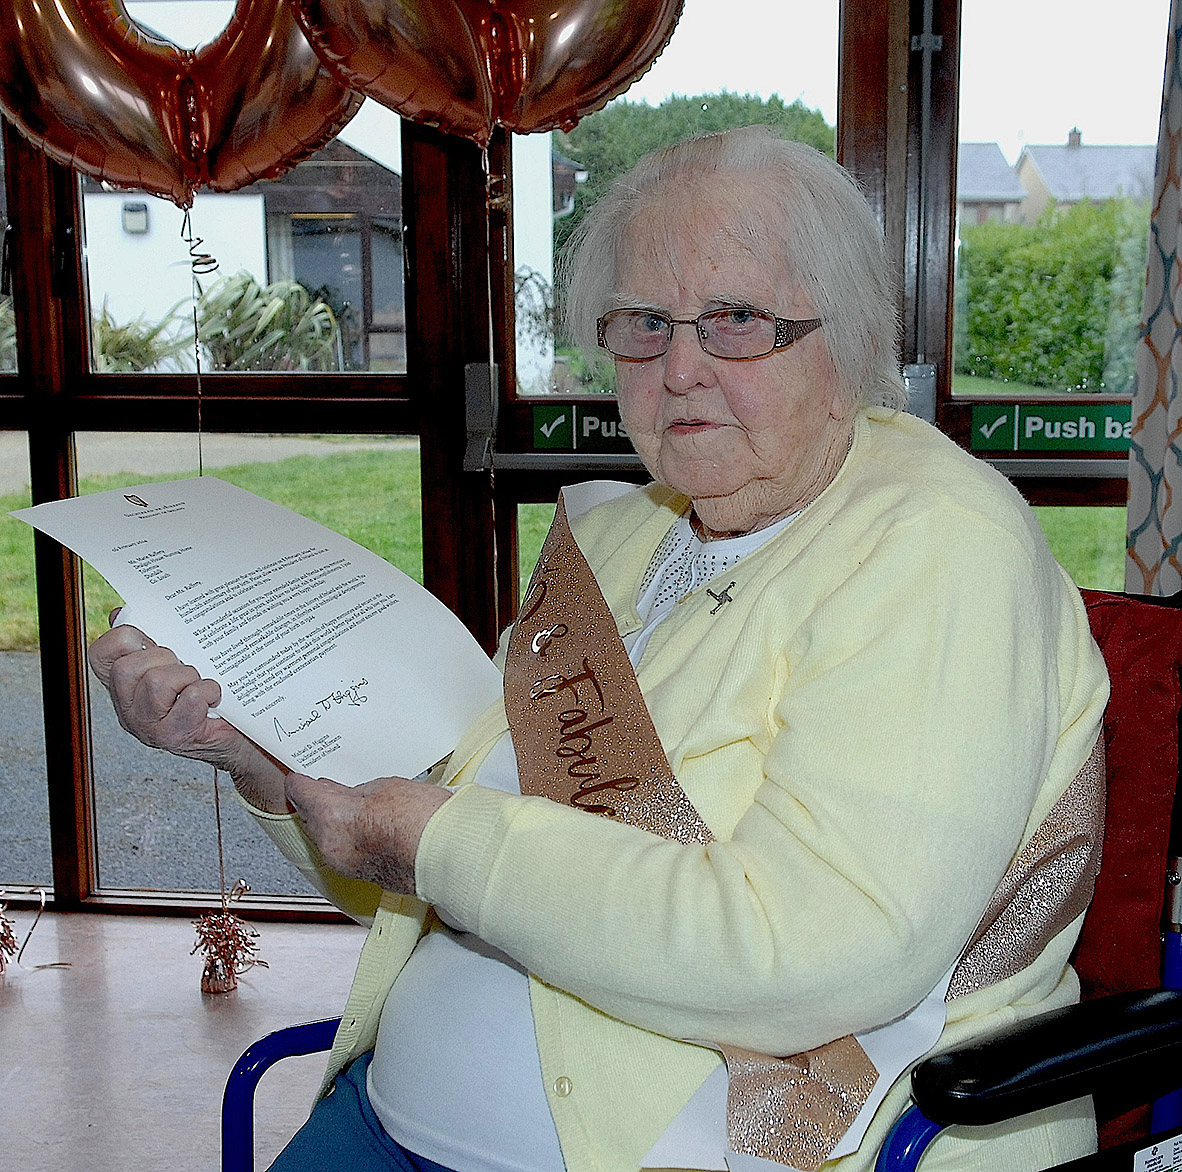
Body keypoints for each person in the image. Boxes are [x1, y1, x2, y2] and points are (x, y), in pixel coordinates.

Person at [89, 125, 1109, 1172]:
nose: (679, 371)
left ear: (843, 340)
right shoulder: (625, 533)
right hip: (390, 1114)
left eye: (737, 320)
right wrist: (253, 751)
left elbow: (822, 952)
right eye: (643, 324)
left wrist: (431, 839)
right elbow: (417, 862)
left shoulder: (938, 546)